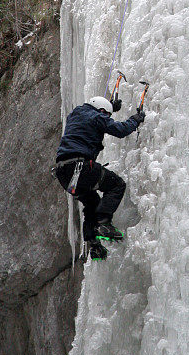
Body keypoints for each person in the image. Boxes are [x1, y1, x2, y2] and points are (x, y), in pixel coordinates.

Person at [55, 95, 145, 259]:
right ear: (101, 111)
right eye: (106, 115)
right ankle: (104, 223)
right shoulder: (96, 116)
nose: (106, 118)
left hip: (64, 174)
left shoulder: (77, 113)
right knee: (116, 185)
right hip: (80, 167)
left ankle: (93, 243)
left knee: (92, 202)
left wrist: (110, 106)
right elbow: (121, 130)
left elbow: (93, 118)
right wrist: (135, 119)